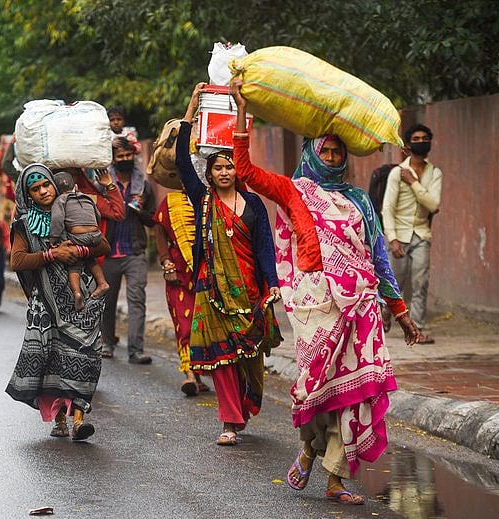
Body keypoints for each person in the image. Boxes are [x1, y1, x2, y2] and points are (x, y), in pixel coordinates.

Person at [230, 79, 421, 504]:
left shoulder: (358, 201)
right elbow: (244, 171)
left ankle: (335, 478)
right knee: (315, 386)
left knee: (354, 392)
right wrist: (244, 112)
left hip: (360, 305)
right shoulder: (293, 189)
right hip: (314, 306)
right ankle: (309, 448)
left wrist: (401, 311)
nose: (332, 158)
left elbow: (378, 257)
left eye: (338, 152)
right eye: (325, 151)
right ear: (311, 154)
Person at [177, 83, 282, 446]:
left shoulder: (254, 206)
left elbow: (265, 248)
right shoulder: (202, 200)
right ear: (209, 173)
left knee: (247, 357)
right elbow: (180, 161)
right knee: (222, 358)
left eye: (230, 166)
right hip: (211, 289)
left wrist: (273, 286)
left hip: (249, 289)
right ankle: (229, 422)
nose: (224, 172)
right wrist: (191, 107)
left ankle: (245, 404)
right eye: (218, 167)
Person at [6, 163, 110, 441]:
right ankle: (61, 419)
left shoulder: (73, 210)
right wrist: (52, 256)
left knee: (86, 356)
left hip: (81, 302)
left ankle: (79, 419)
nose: (43, 191)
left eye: (46, 185)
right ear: (27, 195)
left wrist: (77, 249)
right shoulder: (24, 225)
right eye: (35, 189)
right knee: (53, 361)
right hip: (47, 305)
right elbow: (17, 261)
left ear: (54, 184)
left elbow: (103, 246)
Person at [381, 124, 442, 344]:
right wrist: (393, 238)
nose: (421, 141)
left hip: (422, 235)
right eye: (416, 138)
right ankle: (386, 310)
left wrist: (414, 183)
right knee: (394, 284)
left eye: (425, 138)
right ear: (408, 144)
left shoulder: (435, 173)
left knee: (420, 283)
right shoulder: (397, 173)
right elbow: (388, 207)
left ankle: (417, 329)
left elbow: (433, 204)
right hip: (399, 235)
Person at [100, 137, 156, 364]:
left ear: (133, 155)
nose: (124, 160)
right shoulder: (102, 184)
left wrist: (138, 210)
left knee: (137, 301)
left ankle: (136, 350)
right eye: (119, 156)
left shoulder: (144, 184)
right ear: (113, 159)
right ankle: (107, 343)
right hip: (108, 252)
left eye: (127, 155)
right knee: (107, 302)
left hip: (134, 251)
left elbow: (152, 219)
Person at [153, 184, 210, 396]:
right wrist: (166, 263)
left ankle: (201, 372)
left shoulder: (212, 199)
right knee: (184, 325)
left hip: (208, 272)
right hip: (178, 273)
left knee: (204, 325)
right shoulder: (170, 202)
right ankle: (190, 375)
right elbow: (160, 233)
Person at [50, 171, 110, 310]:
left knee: (74, 263)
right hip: (96, 235)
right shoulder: (87, 197)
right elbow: (98, 215)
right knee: (90, 259)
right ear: (76, 186)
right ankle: (102, 283)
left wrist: (54, 239)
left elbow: (57, 221)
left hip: (77, 237)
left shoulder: (60, 200)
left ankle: (77, 293)